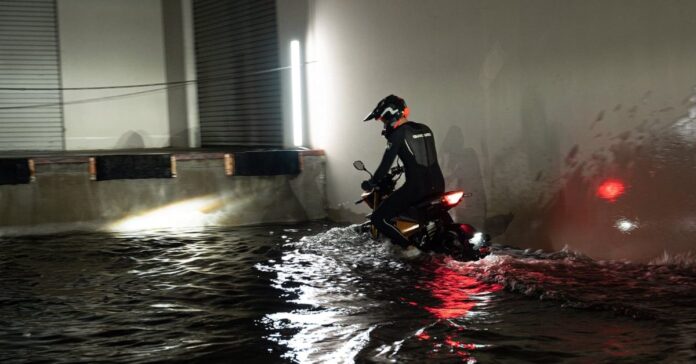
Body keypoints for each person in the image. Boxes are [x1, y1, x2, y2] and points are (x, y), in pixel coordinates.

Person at [361, 95, 445, 247]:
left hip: (416, 188)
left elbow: (385, 166)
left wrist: (371, 183)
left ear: (390, 115)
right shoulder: (425, 128)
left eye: (382, 120)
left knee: (378, 218)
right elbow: (422, 158)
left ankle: (409, 249)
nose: (383, 124)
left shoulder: (398, 134)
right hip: (438, 184)